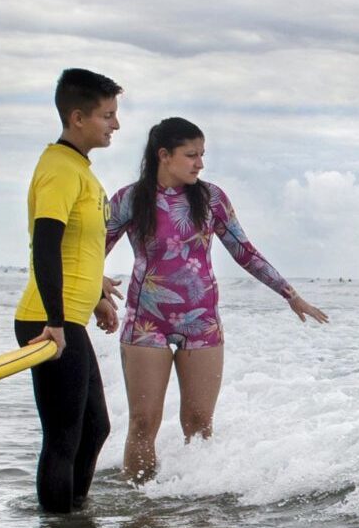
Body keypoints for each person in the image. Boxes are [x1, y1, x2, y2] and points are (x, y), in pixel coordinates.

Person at [104, 117, 327, 482]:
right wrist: (95, 286)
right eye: (191, 155)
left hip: (201, 324)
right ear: (164, 155)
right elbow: (93, 248)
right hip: (146, 323)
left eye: (202, 154)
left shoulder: (211, 198)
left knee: (199, 425)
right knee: (143, 424)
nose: (200, 163)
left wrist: (291, 295)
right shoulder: (130, 198)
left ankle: (197, 514)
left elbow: (245, 252)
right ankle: (138, 516)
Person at [13, 67, 124, 513]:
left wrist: (96, 292)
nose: (115, 124)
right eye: (107, 115)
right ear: (78, 118)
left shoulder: (80, 171)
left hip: (67, 317)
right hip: (48, 321)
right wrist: (56, 323)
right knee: (63, 436)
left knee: (95, 428)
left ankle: (71, 516)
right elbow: (45, 244)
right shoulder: (59, 170)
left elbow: (80, 245)